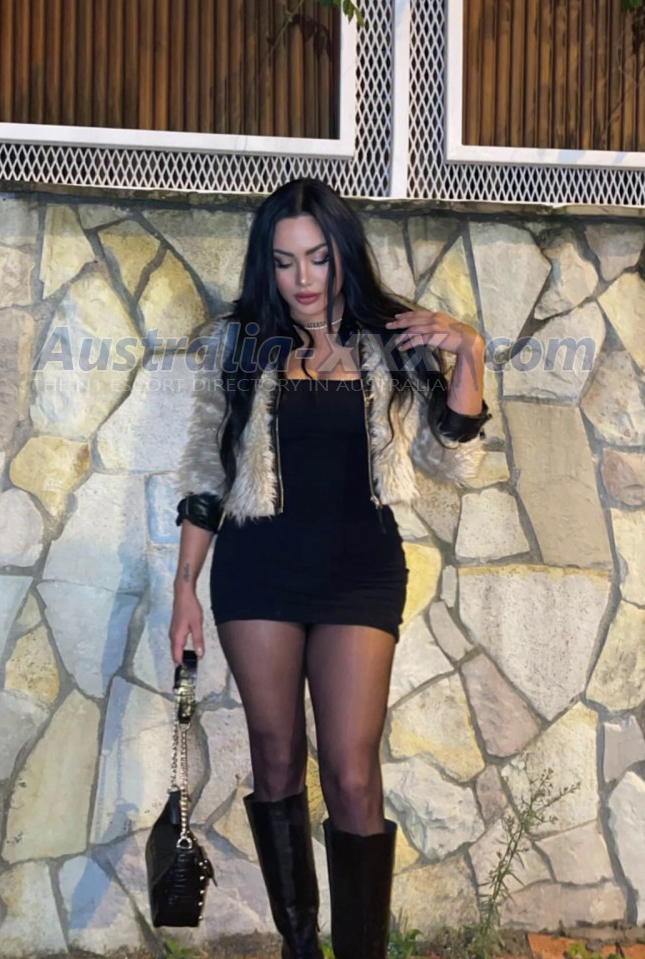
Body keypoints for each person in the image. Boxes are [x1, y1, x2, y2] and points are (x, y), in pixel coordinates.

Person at [169, 177, 490, 959]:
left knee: (350, 771)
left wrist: (469, 353)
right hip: (257, 570)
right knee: (276, 757)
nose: (302, 279)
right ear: (267, 265)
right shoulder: (241, 344)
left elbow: (452, 463)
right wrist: (183, 586)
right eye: (284, 263)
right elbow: (207, 469)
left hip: (359, 570)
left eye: (317, 258)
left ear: (343, 253)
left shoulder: (395, 339)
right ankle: (300, 947)